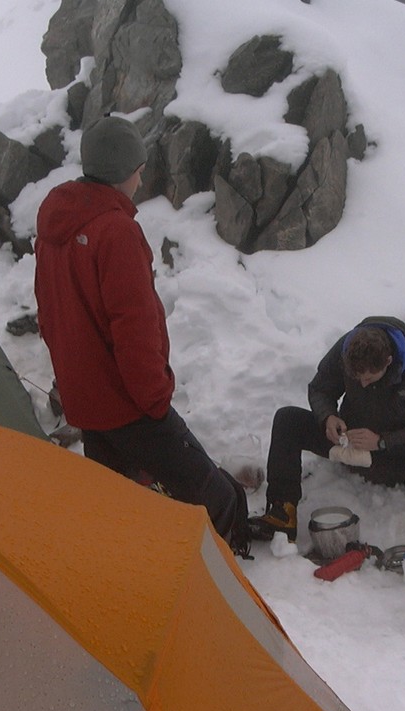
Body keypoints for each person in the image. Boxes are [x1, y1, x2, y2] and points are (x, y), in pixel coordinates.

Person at [34, 115, 250, 555]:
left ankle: (143, 575)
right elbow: (133, 328)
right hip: (128, 403)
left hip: (86, 403)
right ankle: (223, 591)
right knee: (218, 498)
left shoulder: (57, 225)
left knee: (122, 507)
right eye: (138, 166)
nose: (141, 174)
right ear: (124, 171)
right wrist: (154, 400)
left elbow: (50, 313)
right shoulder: (116, 232)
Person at [249, 316, 405, 620]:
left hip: (399, 452)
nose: (363, 383)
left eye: (371, 378)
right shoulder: (347, 348)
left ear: (389, 361)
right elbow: (320, 388)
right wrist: (328, 417)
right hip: (349, 443)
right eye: (358, 378)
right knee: (287, 419)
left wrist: (383, 442)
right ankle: (282, 513)